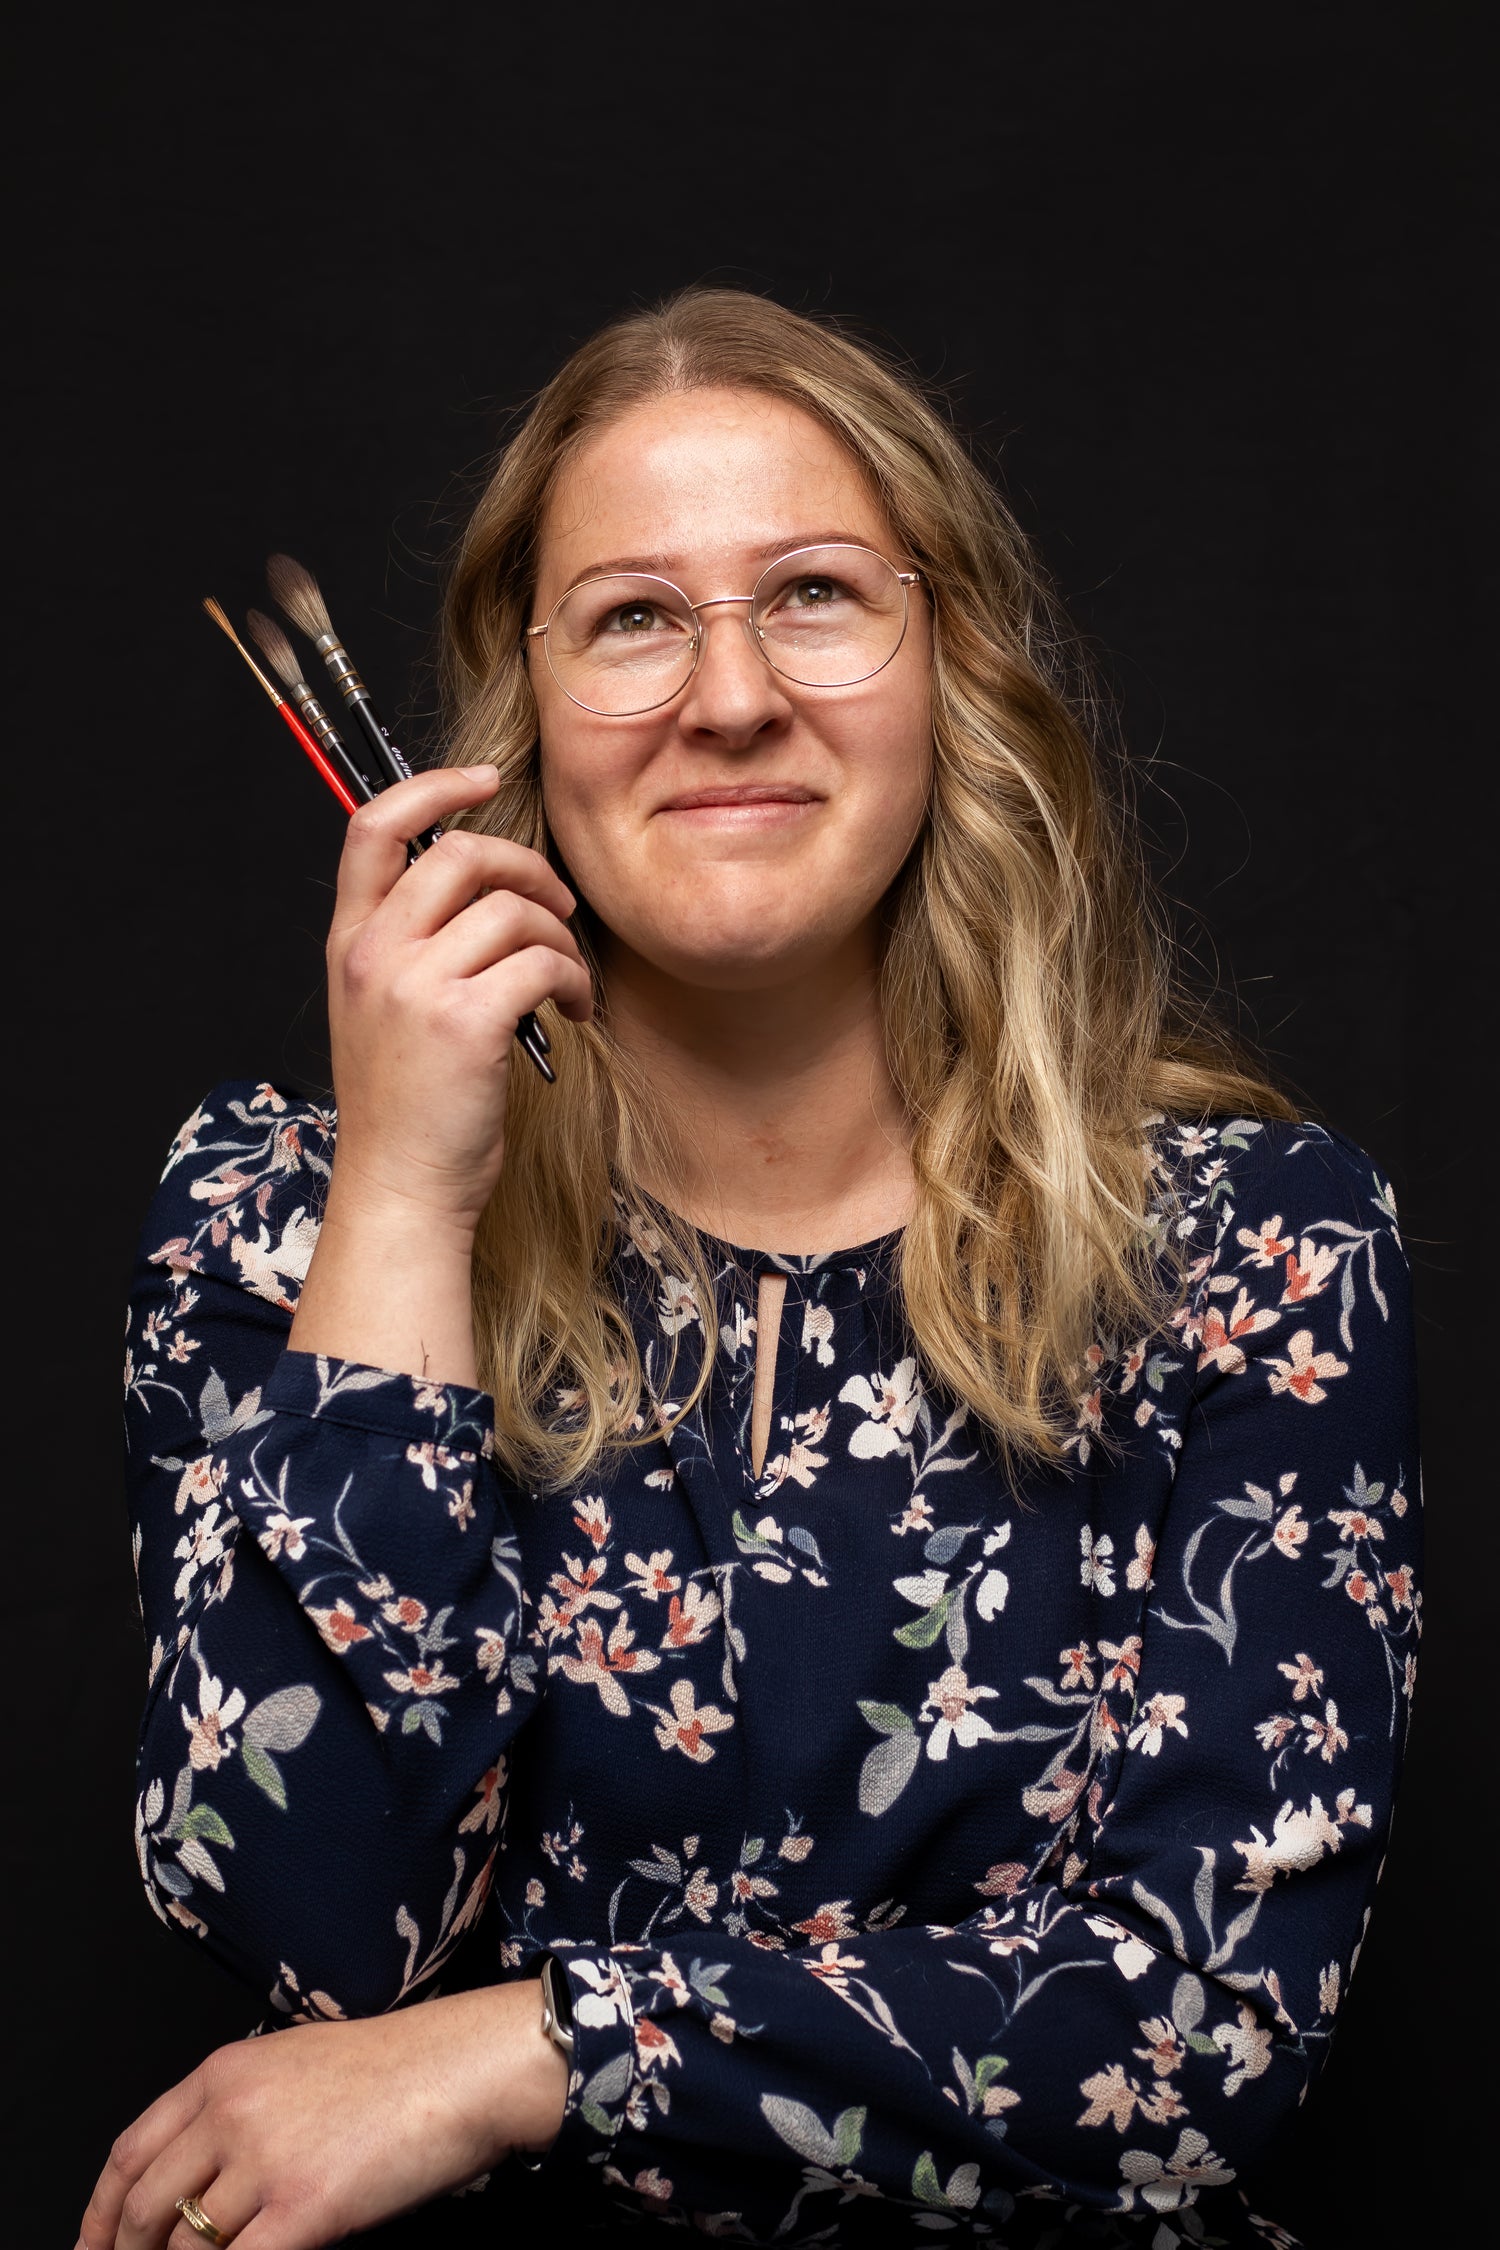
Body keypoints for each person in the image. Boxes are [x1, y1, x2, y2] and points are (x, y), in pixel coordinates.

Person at [83, 288, 1420, 2250]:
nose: (726, 698)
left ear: (947, 661)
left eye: (809, 594)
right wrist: (399, 1199)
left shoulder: (1252, 1252)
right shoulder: (278, 1217)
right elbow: (313, 1946)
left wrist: (532, 2048)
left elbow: (1200, 2038)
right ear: (519, 704)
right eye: (631, 616)